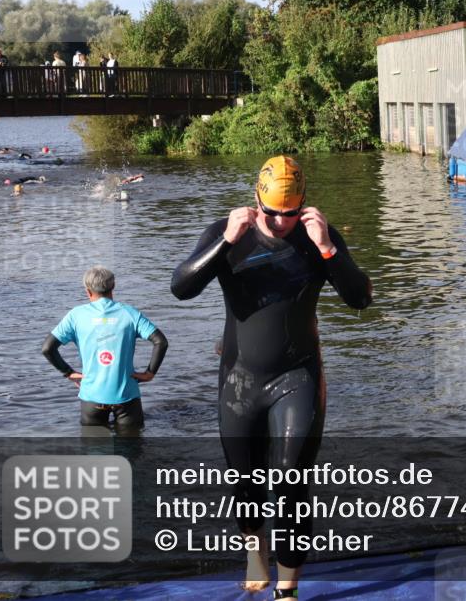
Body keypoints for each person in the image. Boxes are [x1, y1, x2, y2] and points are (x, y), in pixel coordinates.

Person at [171, 156, 372, 597]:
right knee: (245, 482)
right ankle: (254, 548)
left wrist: (327, 248)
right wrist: (225, 242)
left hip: (297, 376)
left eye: (291, 212)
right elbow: (181, 288)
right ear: (256, 200)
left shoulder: (316, 235)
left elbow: (360, 298)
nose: (281, 222)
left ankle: (288, 587)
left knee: (290, 481)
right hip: (239, 381)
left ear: (303, 205)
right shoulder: (229, 232)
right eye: (273, 212)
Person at [43, 266, 169, 432]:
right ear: (113, 287)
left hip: (91, 398)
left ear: (88, 291)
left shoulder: (76, 316)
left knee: (95, 453)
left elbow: (48, 349)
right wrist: (149, 373)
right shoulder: (129, 313)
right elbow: (161, 342)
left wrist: (68, 373)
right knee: (132, 452)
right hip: (126, 397)